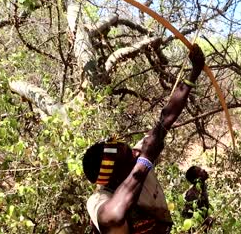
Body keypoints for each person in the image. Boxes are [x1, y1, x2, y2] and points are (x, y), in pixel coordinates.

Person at [82, 44, 205, 233]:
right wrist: (145, 162)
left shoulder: (137, 159)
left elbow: (166, 117)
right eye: (128, 154)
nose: (136, 151)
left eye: (128, 147)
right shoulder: (99, 199)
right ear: (114, 174)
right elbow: (113, 217)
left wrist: (194, 73)